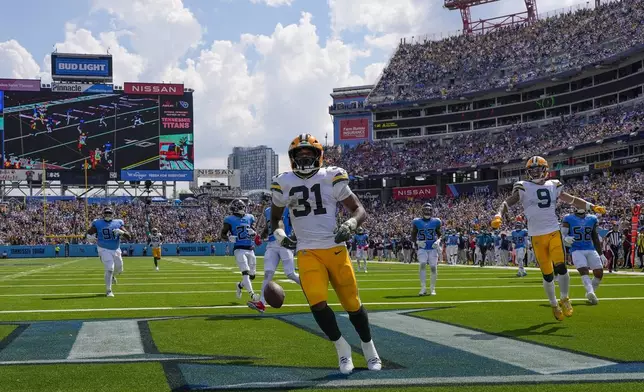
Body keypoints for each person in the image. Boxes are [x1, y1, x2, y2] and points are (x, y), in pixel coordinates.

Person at [269, 133, 381, 375]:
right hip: (308, 251)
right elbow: (275, 219)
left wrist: (351, 224)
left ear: (319, 156)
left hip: (335, 248)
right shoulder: (283, 182)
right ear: (292, 158)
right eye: (300, 155)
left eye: (309, 154)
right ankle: (342, 349)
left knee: (352, 304)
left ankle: (369, 348)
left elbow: (359, 209)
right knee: (317, 303)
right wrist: (280, 236)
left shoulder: (331, 176)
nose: (305, 158)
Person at [491, 156, 606, 321]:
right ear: (528, 172)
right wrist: (498, 214)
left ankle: (565, 298)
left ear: (545, 170)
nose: (536, 172)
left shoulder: (554, 184)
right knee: (547, 274)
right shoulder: (523, 186)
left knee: (561, 267)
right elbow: (508, 201)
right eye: (533, 170)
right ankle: (553, 304)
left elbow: (571, 199)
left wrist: (590, 206)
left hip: (553, 231)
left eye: (539, 169)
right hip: (536, 235)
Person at [220, 199, 262, 312]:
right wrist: (228, 238)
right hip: (239, 249)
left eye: (242, 207)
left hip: (250, 248)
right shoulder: (229, 219)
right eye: (240, 207)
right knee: (246, 272)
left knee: (252, 275)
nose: (242, 209)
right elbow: (222, 234)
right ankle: (252, 295)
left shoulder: (250, 217)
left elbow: (253, 232)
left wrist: (254, 233)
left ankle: (239, 285)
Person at [561, 208, 605, 305]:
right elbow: (561, 234)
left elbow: (595, 237)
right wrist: (565, 238)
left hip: (590, 248)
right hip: (576, 249)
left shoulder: (592, 218)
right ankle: (591, 292)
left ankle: (590, 292)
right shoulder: (568, 218)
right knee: (584, 271)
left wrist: (601, 253)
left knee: (599, 273)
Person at [260, 204, 300, 308]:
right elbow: (268, 226)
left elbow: (295, 224)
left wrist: (294, 238)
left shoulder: (289, 208)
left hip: (283, 242)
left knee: (290, 274)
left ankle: (309, 288)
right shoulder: (268, 210)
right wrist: (262, 235)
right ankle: (261, 303)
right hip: (271, 244)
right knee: (268, 273)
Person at [86, 207, 130, 297]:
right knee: (109, 268)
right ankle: (108, 290)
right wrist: (88, 236)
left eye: (109, 213)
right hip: (103, 248)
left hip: (116, 249)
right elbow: (89, 232)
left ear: (112, 214)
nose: (108, 215)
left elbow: (129, 236)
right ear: (103, 214)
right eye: (106, 213)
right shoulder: (98, 223)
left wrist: (121, 232)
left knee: (119, 269)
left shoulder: (118, 223)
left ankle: (113, 276)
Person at [412, 203, 442, 296]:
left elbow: (440, 234)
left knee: (433, 267)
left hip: (432, 247)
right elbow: (413, 234)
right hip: (422, 247)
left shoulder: (436, 221)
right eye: (425, 210)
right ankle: (423, 288)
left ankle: (432, 288)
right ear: (422, 211)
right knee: (422, 264)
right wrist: (417, 242)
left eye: (428, 210)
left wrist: (438, 241)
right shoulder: (417, 221)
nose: (427, 211)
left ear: (431, 210)